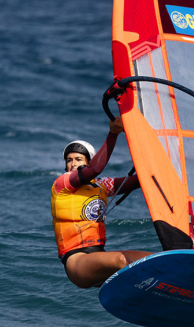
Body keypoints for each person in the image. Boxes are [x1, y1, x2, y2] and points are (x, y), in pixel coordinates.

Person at [51, 115, 152, 288]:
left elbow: (138, 181)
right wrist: (113, 134)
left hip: (98, 257)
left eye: (78, 159)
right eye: (69, 160)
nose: (73, 164)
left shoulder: (101, 185)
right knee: (120, 260)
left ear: (88, 160)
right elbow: (95, 169)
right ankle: (151, 293)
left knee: (155, 259)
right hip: (77, 261)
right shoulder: (62, 184)